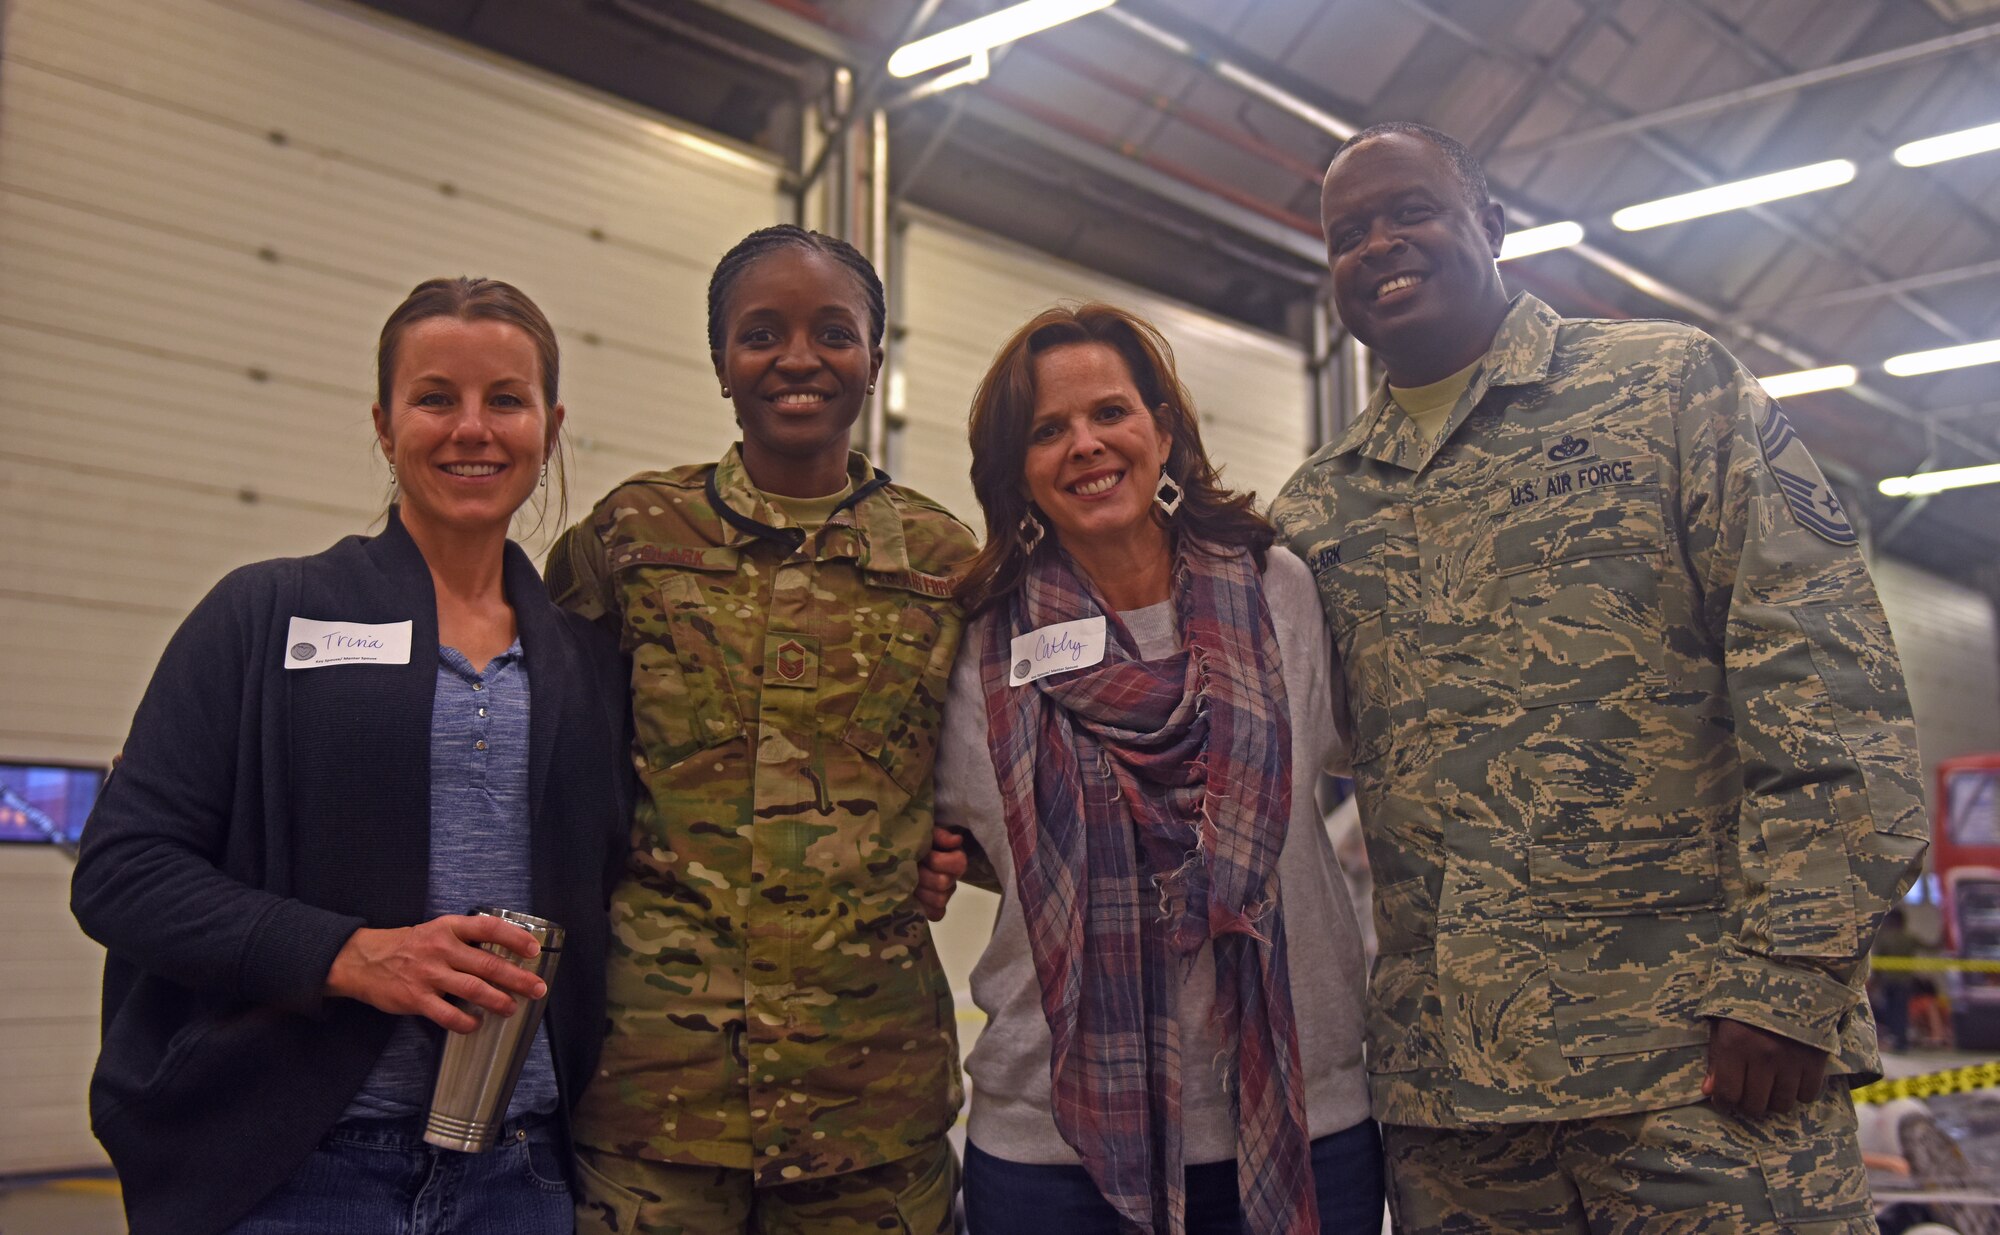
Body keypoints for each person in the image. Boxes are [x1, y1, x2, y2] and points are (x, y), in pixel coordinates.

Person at [1269, 121, 1928, 1232]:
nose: (1379, 243)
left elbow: (1830, 693)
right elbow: (1257, 750)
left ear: (1490, 224)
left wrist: (1787, 977)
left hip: (1701, 1080)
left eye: (1410, 211)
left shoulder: (1667, 393)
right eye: (1346, 233)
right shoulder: (1318, 510)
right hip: (1457, 1115)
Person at [70, 277, 634, 1235]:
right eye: (434, 399)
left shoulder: (588, 660)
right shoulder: (265, 614)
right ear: (383, 423)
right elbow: (123, 873)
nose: (472, 428)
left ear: (550, 424)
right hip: (297, 1175)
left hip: (522, 1176)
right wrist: (348, 953)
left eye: (506, 398)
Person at [545, 224, 978, 1235]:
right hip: (657, 1105)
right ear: (720, 361)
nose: (796, 357)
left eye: (834, 330)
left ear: (875, 356)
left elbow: (993, 777)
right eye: (760, 332)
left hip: (868, 1103)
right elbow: (531, 732)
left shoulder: (941, 561)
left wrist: (947, 844)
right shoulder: (633, 538)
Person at [938, 302, 1383, 1235]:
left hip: (1302, 1114)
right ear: (1016, 469)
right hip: (1056, 1147)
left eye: (1110, 414)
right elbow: (948, 841)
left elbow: (1387, 762)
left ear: (1163, 429)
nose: (1085, 446)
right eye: (1047, 431)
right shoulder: (982, 645)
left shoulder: (1280, 593)